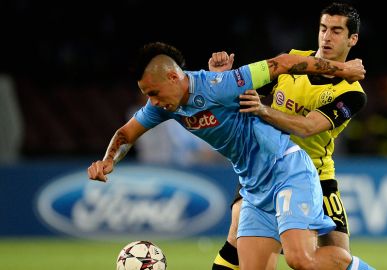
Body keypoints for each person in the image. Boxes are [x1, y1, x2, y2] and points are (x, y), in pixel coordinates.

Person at [87, 41, 372, 270]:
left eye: (154, 92)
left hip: (286, 170)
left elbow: (283, 63)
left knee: (302, 260)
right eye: (147, 95)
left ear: (174, 77)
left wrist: (342, 70)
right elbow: (126, 133)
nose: (153, 102)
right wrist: (108, 160)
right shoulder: (163, 106)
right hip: (254, 188)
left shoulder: (218, 85)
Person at [210, 2, 368, 269]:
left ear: (353, 39)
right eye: (323, 28)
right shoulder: (294, 61)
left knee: (338, 257)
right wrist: (223, 82)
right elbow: (247, 96)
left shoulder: (351, 92)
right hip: (266, 167)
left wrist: (263, 111)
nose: (327, 37)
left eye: (337, 31)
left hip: (316, 175)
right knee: (238, 231)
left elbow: (306, 127)